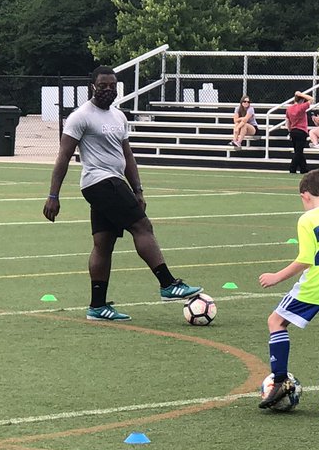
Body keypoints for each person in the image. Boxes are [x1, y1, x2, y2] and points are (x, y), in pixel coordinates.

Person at [43, 66, 201, 321]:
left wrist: (138, 189)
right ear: (92, 86)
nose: (108, 90)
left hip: (114, 182)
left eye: (112, 86)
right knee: (142, 226)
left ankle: (97, 306)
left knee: (103, 244)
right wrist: (53, 195)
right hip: (100, 182)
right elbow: (63, 156)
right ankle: (168, 283)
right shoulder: (80, 116)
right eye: (103, 85)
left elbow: (127, 155)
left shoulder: (118, 117)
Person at [258, 169, 319, 416]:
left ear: (305, 195)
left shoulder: (307, 219)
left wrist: (276, 277)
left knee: (276, 321)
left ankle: (280, 381)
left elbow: (306, 259)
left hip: (314, 287)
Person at [284, 91, 314, 173]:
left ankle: (303, 168)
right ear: (301, 100)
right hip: (301, 131)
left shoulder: (289, 109)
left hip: (293, 131)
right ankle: (292, 168)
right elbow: (312, 99)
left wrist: (289, 131)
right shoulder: (301, 107)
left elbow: (288, 121)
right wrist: (301, 94)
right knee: (299, 152)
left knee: (298, 151)